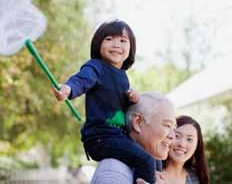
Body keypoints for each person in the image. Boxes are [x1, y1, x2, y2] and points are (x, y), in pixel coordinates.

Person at [52, 20, 157, 183]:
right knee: (146, 161)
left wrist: (133, 99)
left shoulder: (123, 76)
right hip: (101, 139)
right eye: (109, 39)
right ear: (98, 44)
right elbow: (82, 80)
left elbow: (122, 108)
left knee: (153, 155)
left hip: (119, 136)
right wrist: (68, 89)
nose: (116, 44)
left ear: (131, 49)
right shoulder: (96, 67)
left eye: (123, 41)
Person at [90, 91, 176, 184]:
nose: (172, 136)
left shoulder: (154, 170)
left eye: (174, 128)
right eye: (167, 125)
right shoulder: (113, 174)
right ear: (138, 123)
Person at [161, 115, 210, 184]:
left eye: (189, 139)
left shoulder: (196, 177)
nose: (182, 144)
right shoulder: (152, 174)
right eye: (177, 136)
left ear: (197, 146)